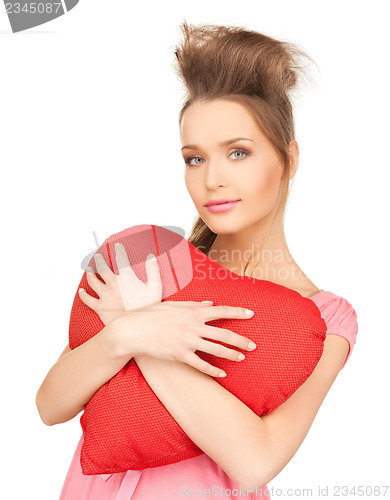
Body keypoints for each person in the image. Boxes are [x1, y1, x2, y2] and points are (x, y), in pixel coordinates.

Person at [36, 21, 358, 500]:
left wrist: (143, 334)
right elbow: (50, 405)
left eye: (238, 152)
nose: (213, 180)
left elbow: (254, 461)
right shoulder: (155, 266)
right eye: (196, 158)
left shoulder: (324, 317)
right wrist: (125, 332)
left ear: (288, 159)